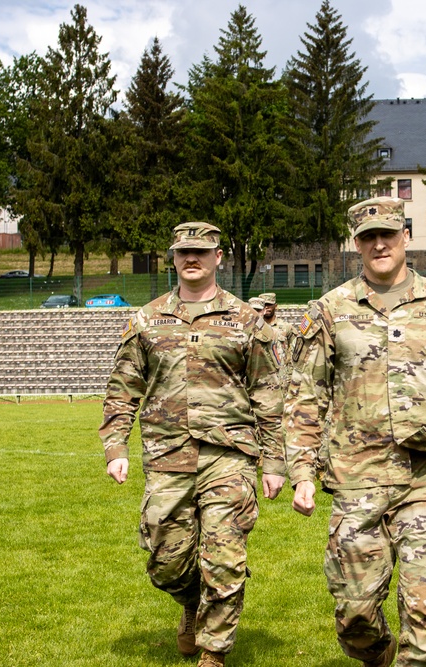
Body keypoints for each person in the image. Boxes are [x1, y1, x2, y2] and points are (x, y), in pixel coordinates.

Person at [283, 196, 426, 667]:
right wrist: (301, 472)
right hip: (357, 477)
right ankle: (378, 655)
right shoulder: (329, 311)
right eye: (368, 237)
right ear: (356, 244)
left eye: (388, 234)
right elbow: (304, 395)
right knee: (355, 614)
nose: (379, 244)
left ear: (405, 238)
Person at [100, 221, 286, 667]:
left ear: (218, 257)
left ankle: (213, 653)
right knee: (166, 559)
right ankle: (192, 603)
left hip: (230, 456)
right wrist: (116, 447)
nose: (192, 258)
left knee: (224, 558)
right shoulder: (147, 319)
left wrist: (276, 461)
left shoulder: (246, 321)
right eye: (184, 251)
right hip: (167, 456)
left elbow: (270, 392)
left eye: (201, 251)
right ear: (173, 257)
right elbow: (122, 388)